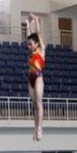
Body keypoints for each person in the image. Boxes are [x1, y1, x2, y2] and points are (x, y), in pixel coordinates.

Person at [27, 13, 45, 141]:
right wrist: (28, 26)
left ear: (37, 44)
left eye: (31, 44)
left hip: (38, 77)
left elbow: (38, 33)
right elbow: (31, 36)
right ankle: (35, 128)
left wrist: (36, 20)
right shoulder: (32, 53)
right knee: (34, 105)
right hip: (30, 79)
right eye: (28, 44)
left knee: (39, 103)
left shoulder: (41, 50)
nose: (29, 46)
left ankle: (40, 128)